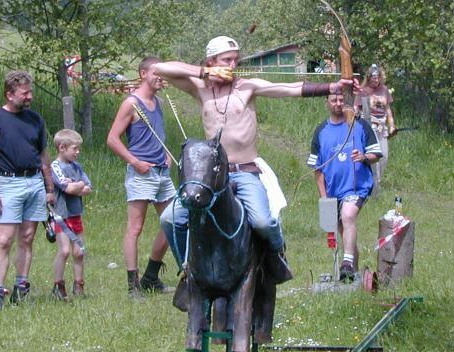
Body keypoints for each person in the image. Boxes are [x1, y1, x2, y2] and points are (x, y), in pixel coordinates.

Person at [153, 36, 358, 287]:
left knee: (264, 221)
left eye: (235, 60)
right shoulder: (200, 88)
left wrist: (332, 87)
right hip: (214, 176)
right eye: (226, 60)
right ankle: (188, 268)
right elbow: (159, 68)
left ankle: (276, 256)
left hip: (246, 171)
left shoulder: (246, 87)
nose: (232, 64)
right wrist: (205, 73)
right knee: (170, 219)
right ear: (211, 61)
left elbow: (289, 89)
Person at [0, 70, 55, 314]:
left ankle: (21, 287)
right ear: (9, 94)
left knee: (28, 238)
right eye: (25, 93)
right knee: (4, 240)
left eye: (30, 92)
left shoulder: (35, 119)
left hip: (34, 183)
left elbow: (42, 155)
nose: (30, 96)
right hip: (8, 184)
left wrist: (49, 187)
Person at [107, 56, 176, 298]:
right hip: (141, 173)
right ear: (143, 73)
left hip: (161, 172)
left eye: (163, 74)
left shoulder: (157, 102)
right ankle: (132, 285)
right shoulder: (131, 103)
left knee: (174, 222)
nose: (161, 78)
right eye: (156, 73)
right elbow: (112, 139)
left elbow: (157, 134)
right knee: (135, 228)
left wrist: (166, 152)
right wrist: (135, 162)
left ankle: (150, 277)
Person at [309, 94, 382, 281]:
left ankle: (347, 262)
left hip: (357, 186)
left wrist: (363, 157)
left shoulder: (359, 125)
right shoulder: (321, 132)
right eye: (334, 100)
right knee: (345, 233)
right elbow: (318, 171)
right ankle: (353, 274)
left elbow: (376, 153)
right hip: (334, 191)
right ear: (326, 102)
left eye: (341, 100)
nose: (338, 104)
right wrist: (324, 198)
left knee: (348, 215)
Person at [49, 129, 92, 302]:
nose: (77, 152)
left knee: (79, 251)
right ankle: (58, 285)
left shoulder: (77, 167)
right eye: (74, 148)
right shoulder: (55, 167)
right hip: (61, 215)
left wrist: (77, 185)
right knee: (65, 250)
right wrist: (77, 186)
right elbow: (67, 188)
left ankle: (79, 285)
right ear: (62, 147)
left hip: (75, 214)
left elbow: (88, 188)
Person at [355, 64, 395, 185]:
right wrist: (356, 113)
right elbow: (356, 107)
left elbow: (388, 109)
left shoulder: (384, 90)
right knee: (372, 155)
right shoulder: (363, 91)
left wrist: (392, 124)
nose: (376, 81)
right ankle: (372, 181)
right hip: (368, 124)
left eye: (378, 78)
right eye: (373, 78)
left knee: (384, 155)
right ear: (369, 78)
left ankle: (378, 179)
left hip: (381, 126)